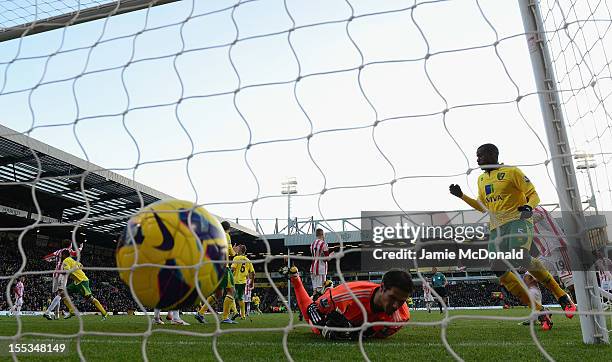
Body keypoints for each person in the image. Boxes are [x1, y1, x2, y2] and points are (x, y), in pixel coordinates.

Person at [449, 143, 576, 330]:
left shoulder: (512, 172)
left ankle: (562, 296)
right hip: (496, 229)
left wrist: (528, 207)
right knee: (497, 269)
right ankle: (540, 311)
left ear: (492, 154)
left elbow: (533, 195)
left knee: (520, 255)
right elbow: (482, 207)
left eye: (480, 156)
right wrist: (461, 196)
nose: (477, 160)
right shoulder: (482, 179)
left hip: (518, 220)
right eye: (477, 156)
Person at [281, 266, 413, 340]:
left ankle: (328, 288)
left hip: (351, 316)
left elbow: (368, 334)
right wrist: (323, 328)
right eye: (393, 298)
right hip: (335, 299)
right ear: (382, 287)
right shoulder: (348, 295)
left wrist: (351, 333)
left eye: (401, 301)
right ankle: (295, 278)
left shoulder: (401, 317)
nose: (396, 306)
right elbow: (312, 310)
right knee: (314, 328)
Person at [195, 221, 238, 324]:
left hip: (215, 267)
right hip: (224, 267)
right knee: (232, 291)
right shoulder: (226, 235)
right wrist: (235, 251)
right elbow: (230, 252)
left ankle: (200, 313)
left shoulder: (215, 236)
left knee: (219, 293)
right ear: (229, 228)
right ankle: (225, 317)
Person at [60, 249, 108, 320]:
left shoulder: (65, 261)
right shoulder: (73, 261)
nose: (61, 256)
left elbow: (67, 271)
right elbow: (81, 266)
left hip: (82, 281)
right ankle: (72, 311)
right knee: (63, 294)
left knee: (90, 299)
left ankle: (104, 313)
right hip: (77, 282)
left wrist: (59, 272)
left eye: (61, 255)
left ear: (64, 255)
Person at [43, 240, 83, 320]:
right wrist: (81, 248)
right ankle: (48, 312)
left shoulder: (58, 251)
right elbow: (76, 253)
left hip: (55, 274)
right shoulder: (68, 251)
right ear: (70, 245)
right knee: (61, 293)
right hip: (63, 274)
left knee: (57, 294)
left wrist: (53, 260)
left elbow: (46, 258)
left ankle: (56, 315)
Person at [231, 245, 255, 320]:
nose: (236, 249)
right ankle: (243, 315)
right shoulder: (248, 260)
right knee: (240, 298)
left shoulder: (236, 258)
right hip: (243, 282)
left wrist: (228, 277)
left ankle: (235, 312)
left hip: (235, 281)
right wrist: (252, 282)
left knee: (230, 297)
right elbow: (253, 273)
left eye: (237, 248)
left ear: (240, 250)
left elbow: (232, 269)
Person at [310, 228, 330, 301]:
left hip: (312, 268)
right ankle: (317, 308)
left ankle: (310, 305)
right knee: (320, 291)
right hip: (320, 270)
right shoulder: (323, 244)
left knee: (314, 291)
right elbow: (326, 258)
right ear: (322, 234)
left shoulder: (312, 244)